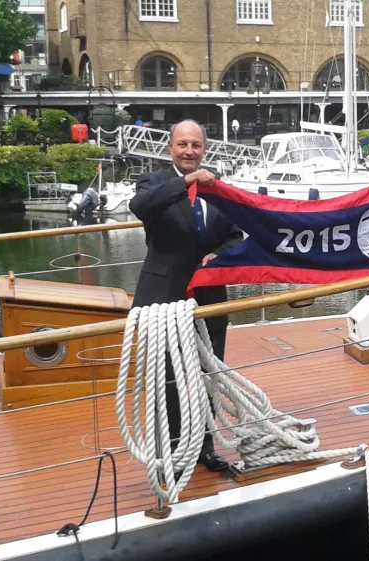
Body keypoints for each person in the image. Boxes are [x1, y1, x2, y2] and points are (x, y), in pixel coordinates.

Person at [129, 119, 243, 471]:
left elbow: (235, 235)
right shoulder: (156, 182)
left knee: (207, 376)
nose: (189, 151)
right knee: (169, 380)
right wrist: (187, 182)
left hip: (209, 299)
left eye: (196, 145)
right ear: (171, 148)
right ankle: (173, 454)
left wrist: (221, 255)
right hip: (164, 297)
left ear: (204, 149)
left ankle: (205, 447)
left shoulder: (219, 190)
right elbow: (141, 206)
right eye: (183, 145)